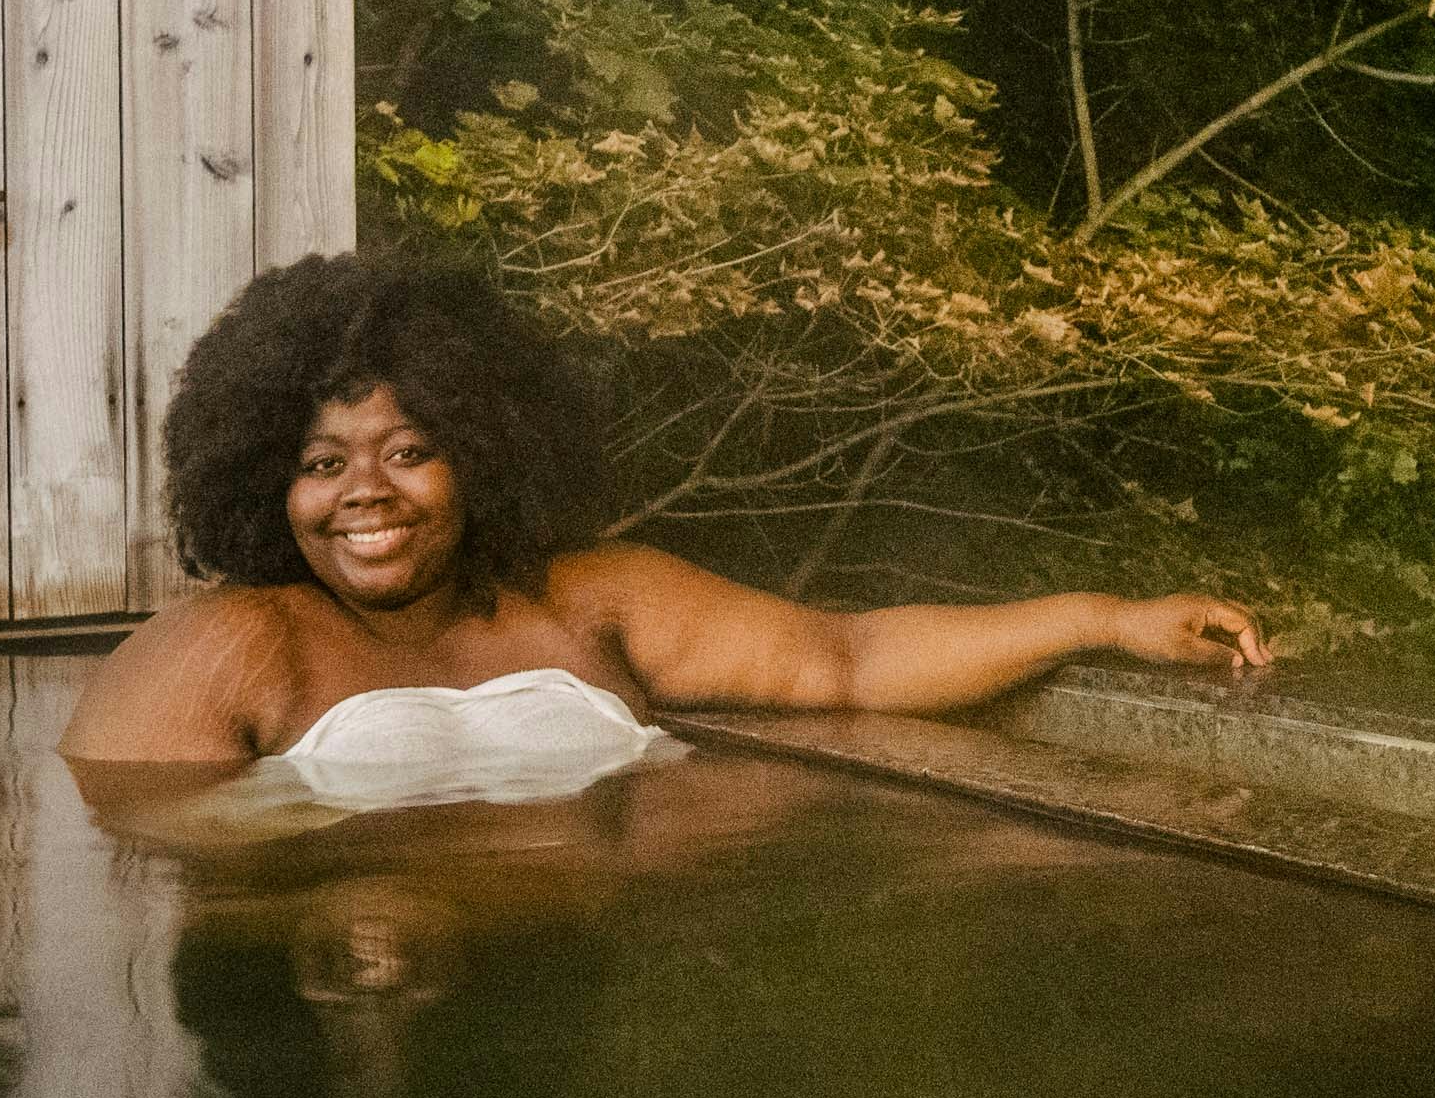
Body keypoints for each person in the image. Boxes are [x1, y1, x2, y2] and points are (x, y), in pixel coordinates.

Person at [63, 253, 1268, 774]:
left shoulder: (596, 598)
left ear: (482, 454)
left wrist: (1105, 616)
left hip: (582, 974)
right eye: (323, 462)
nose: (366, 492)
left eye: (412, 449)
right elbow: (160, 868)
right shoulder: (231, 648)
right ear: (268, 481)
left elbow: (844, 661)